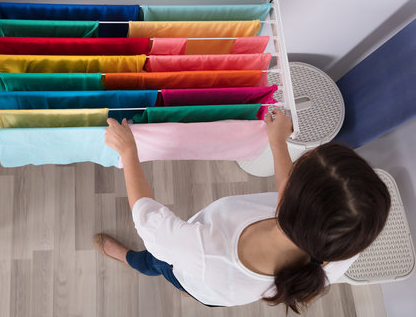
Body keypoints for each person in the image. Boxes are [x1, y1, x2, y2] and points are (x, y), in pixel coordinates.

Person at [94, 110, 390, 313]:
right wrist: (277, 141)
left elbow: (148, 221)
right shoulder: (341, 242)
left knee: (155, 262)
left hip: (201, 277)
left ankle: (129, 259)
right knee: (192, 284)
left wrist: (129, 152)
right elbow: (287, 186)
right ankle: (189, 289)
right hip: (225, 292)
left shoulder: (207, 248)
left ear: (292, 198)